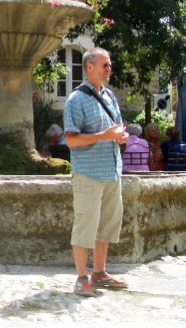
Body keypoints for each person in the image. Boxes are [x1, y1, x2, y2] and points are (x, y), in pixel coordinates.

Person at [63, 48, 129, 297]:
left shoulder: (109, 96)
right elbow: (71, 140)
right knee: (86, 224)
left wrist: (121, 137)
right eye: (105, 65)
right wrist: (104, 136)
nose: (109, 69)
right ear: (89, 67)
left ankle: (99, 273)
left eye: (109, 64)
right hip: (89, 173)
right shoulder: (76, 100)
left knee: (107, 224)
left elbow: (116, 129)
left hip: (112, 171)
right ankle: (81, 278)